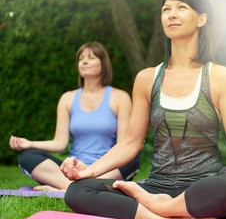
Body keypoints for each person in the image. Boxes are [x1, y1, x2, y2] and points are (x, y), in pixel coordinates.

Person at [61, 0, 226, 219]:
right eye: (166, 9)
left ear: (201, 18)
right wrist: (90, 171)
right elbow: (131, 142)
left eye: (181, 7)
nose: (171, 14)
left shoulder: (221, 76)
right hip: (156, 186)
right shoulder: (147, 78)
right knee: (78, 191)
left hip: (204, 187)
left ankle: (164, 208)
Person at [9, 42, 141, 191]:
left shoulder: (120, 98)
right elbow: (60, 143)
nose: (84, 61)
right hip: (72, 170)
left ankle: (70, 188)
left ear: (103, 64)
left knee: (133, 156)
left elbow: (123, 146)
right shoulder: (67, 98)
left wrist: (96, 169)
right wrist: (30, 144)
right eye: (81, 58)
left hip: (106, 169)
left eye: (91, 57)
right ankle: (78, 187)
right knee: (26, 156)